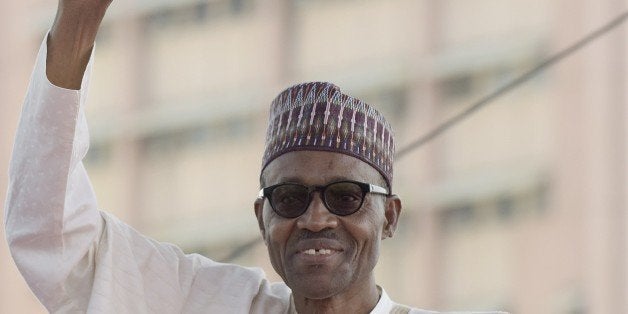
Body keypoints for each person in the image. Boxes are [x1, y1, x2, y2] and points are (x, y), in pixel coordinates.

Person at [5, 1, 507, 314]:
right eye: (289, 197)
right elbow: (55, 241)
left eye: (345, 197)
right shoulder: (214, 303)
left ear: (390, 215)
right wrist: (77, 20)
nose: (315, 219)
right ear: (261, 217)